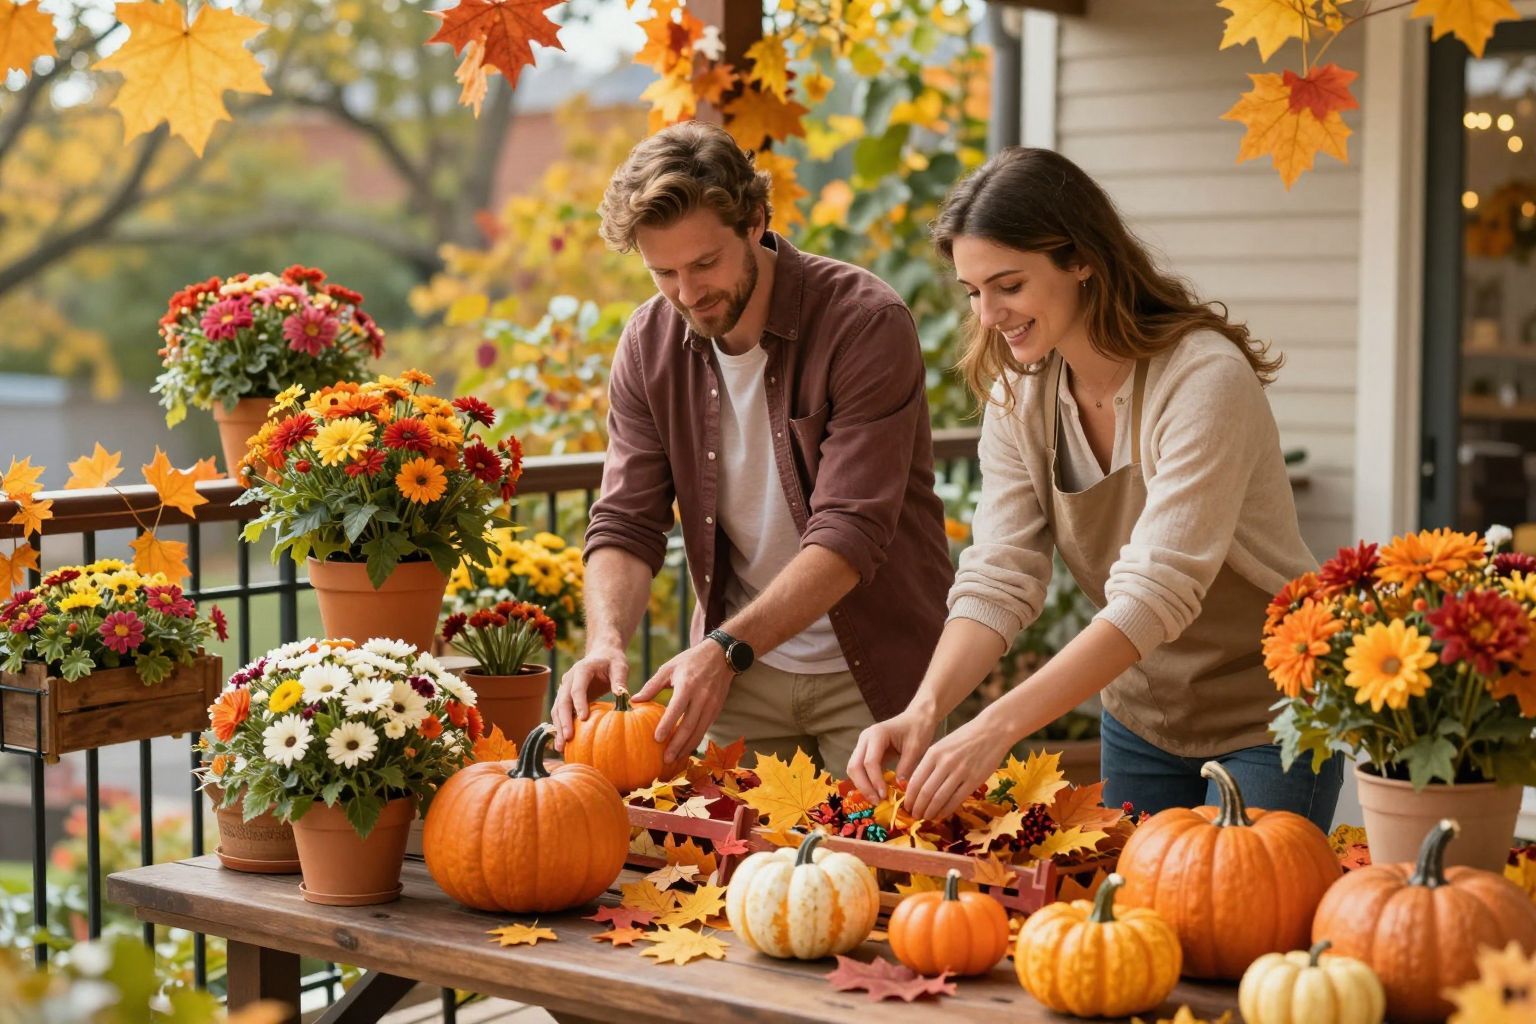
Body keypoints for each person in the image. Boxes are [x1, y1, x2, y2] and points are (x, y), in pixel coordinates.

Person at [847, 147, 1343, 830]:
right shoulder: (1019, 394)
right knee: (1130, 923)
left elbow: (1154, 592)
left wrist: (995, 728)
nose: (988, 314)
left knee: (1243, 919)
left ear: (1081, 259)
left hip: (1266, 718)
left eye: (1008, 285)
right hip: (1140, 717)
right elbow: (1000, 575)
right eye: (973, 292)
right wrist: (927, 707)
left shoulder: (1203, 380)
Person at [550, 121, 954, 779]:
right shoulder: (648, 345)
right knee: (730, 874)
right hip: (739, 677)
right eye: (664, 273)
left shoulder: (863, 322)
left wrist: (725, 649)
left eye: (705, 263)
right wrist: (605, 642)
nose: (688, 292)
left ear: (754, 221)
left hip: (875, 674)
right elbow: (626, 521)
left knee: (880, 875)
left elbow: (851, 531)